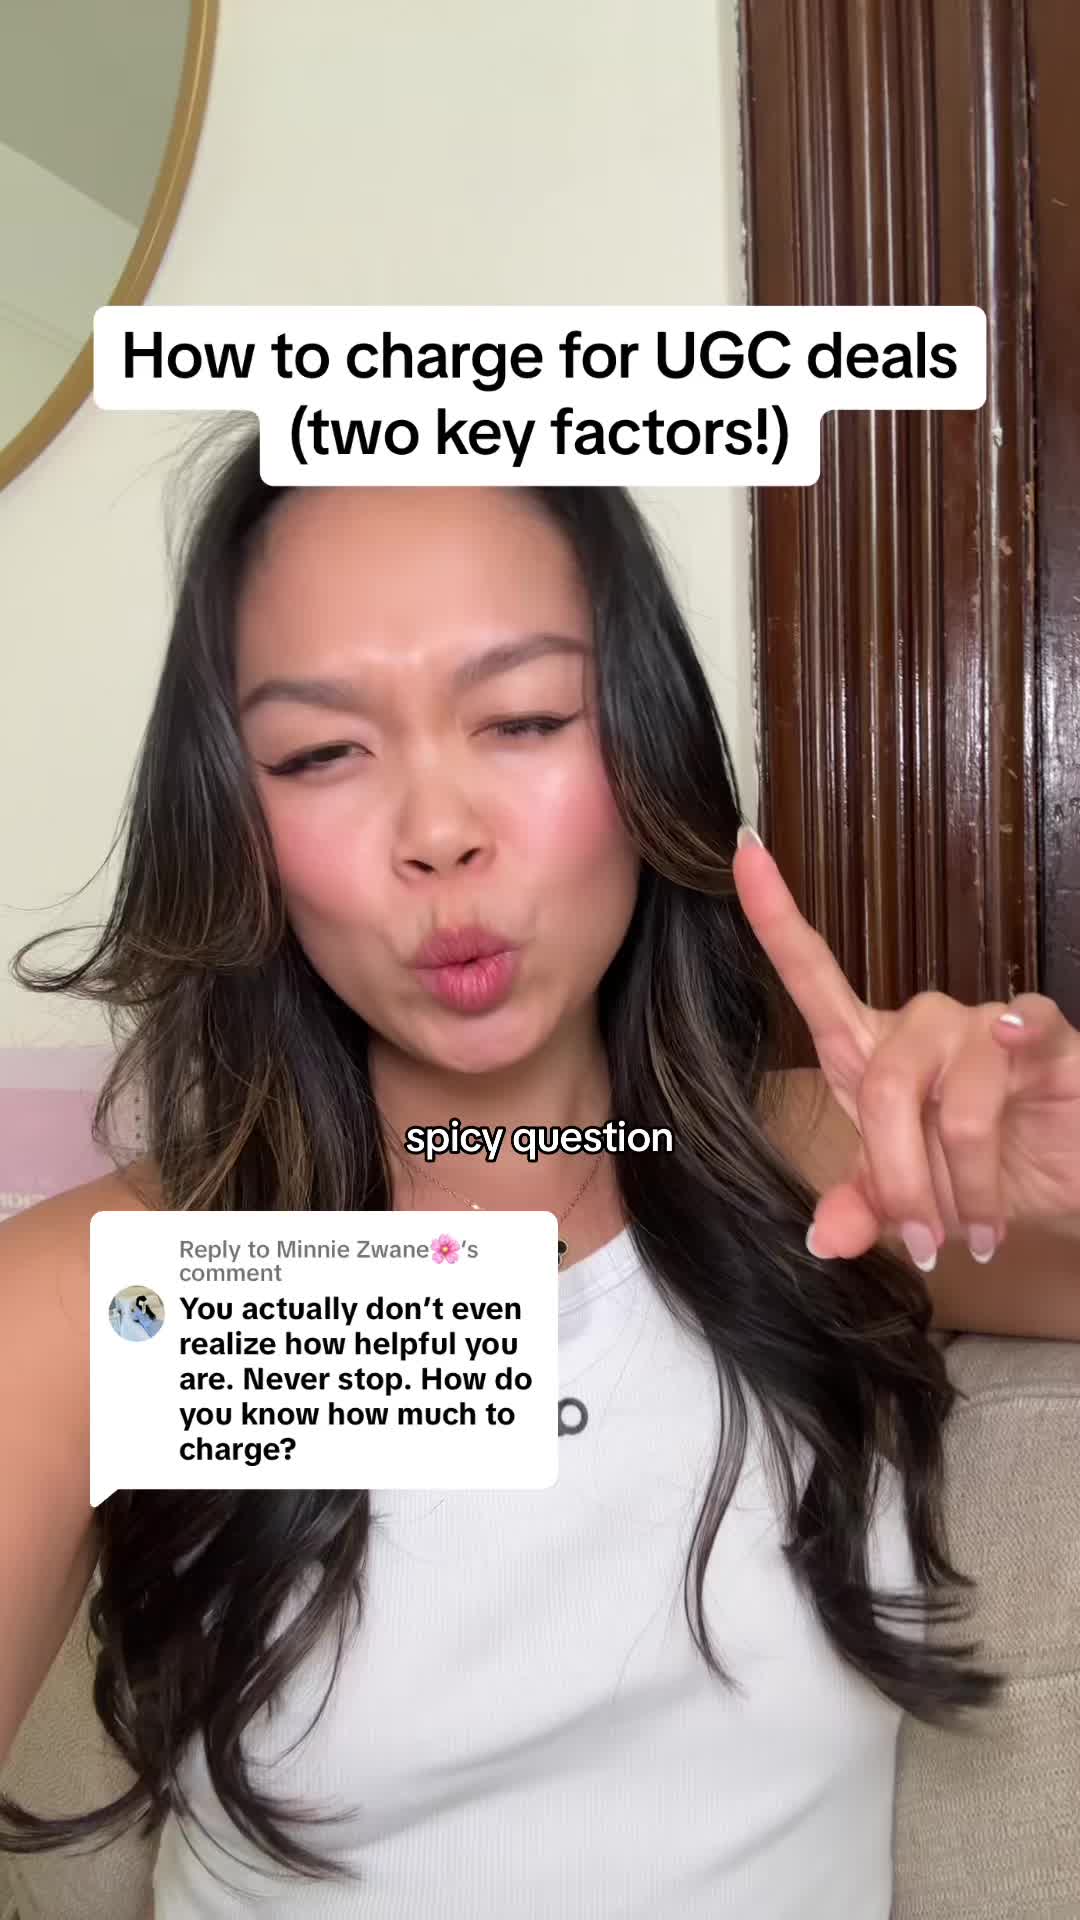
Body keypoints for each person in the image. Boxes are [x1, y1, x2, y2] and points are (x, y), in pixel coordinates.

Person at [1, 427, 1078, 1918]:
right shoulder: (118, 1297)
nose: (439, 835)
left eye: (521, 718)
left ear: (644, 749)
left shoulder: (829, 1177)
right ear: (240, 829)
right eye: (320, 753)